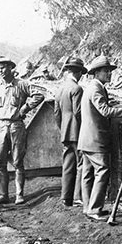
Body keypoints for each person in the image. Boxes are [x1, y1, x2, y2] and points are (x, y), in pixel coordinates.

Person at [78, 55, 122, 220]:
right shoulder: (95, 88)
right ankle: (94, 209)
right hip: (95, 139)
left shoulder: (93, 87)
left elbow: (100, 107)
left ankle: (88, 207)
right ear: (97, 72)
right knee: (102, 170)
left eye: (109, 71)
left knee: (87, 173)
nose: (109, 74)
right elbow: (105, 111)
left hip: (86, 138)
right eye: (106, 71)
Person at [0, 56, 45, 205]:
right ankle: (3, 194)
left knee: (17, 161)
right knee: (0, 162)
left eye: (3, 67)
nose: (0, 71)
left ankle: (19, 195)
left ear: (11, 68)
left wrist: (24, 108)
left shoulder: (21, 84)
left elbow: (39, 95)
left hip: (16, 126)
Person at [54, 56, 87, 207]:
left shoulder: (60, 89)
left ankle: (65, 197)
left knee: (67, 165)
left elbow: (56, 113)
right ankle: (78, 196)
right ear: (79, 73)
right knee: (81, 163)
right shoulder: (77, 89)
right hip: (77, 131)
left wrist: (63, 128)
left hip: (66, 132)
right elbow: (78, 112)